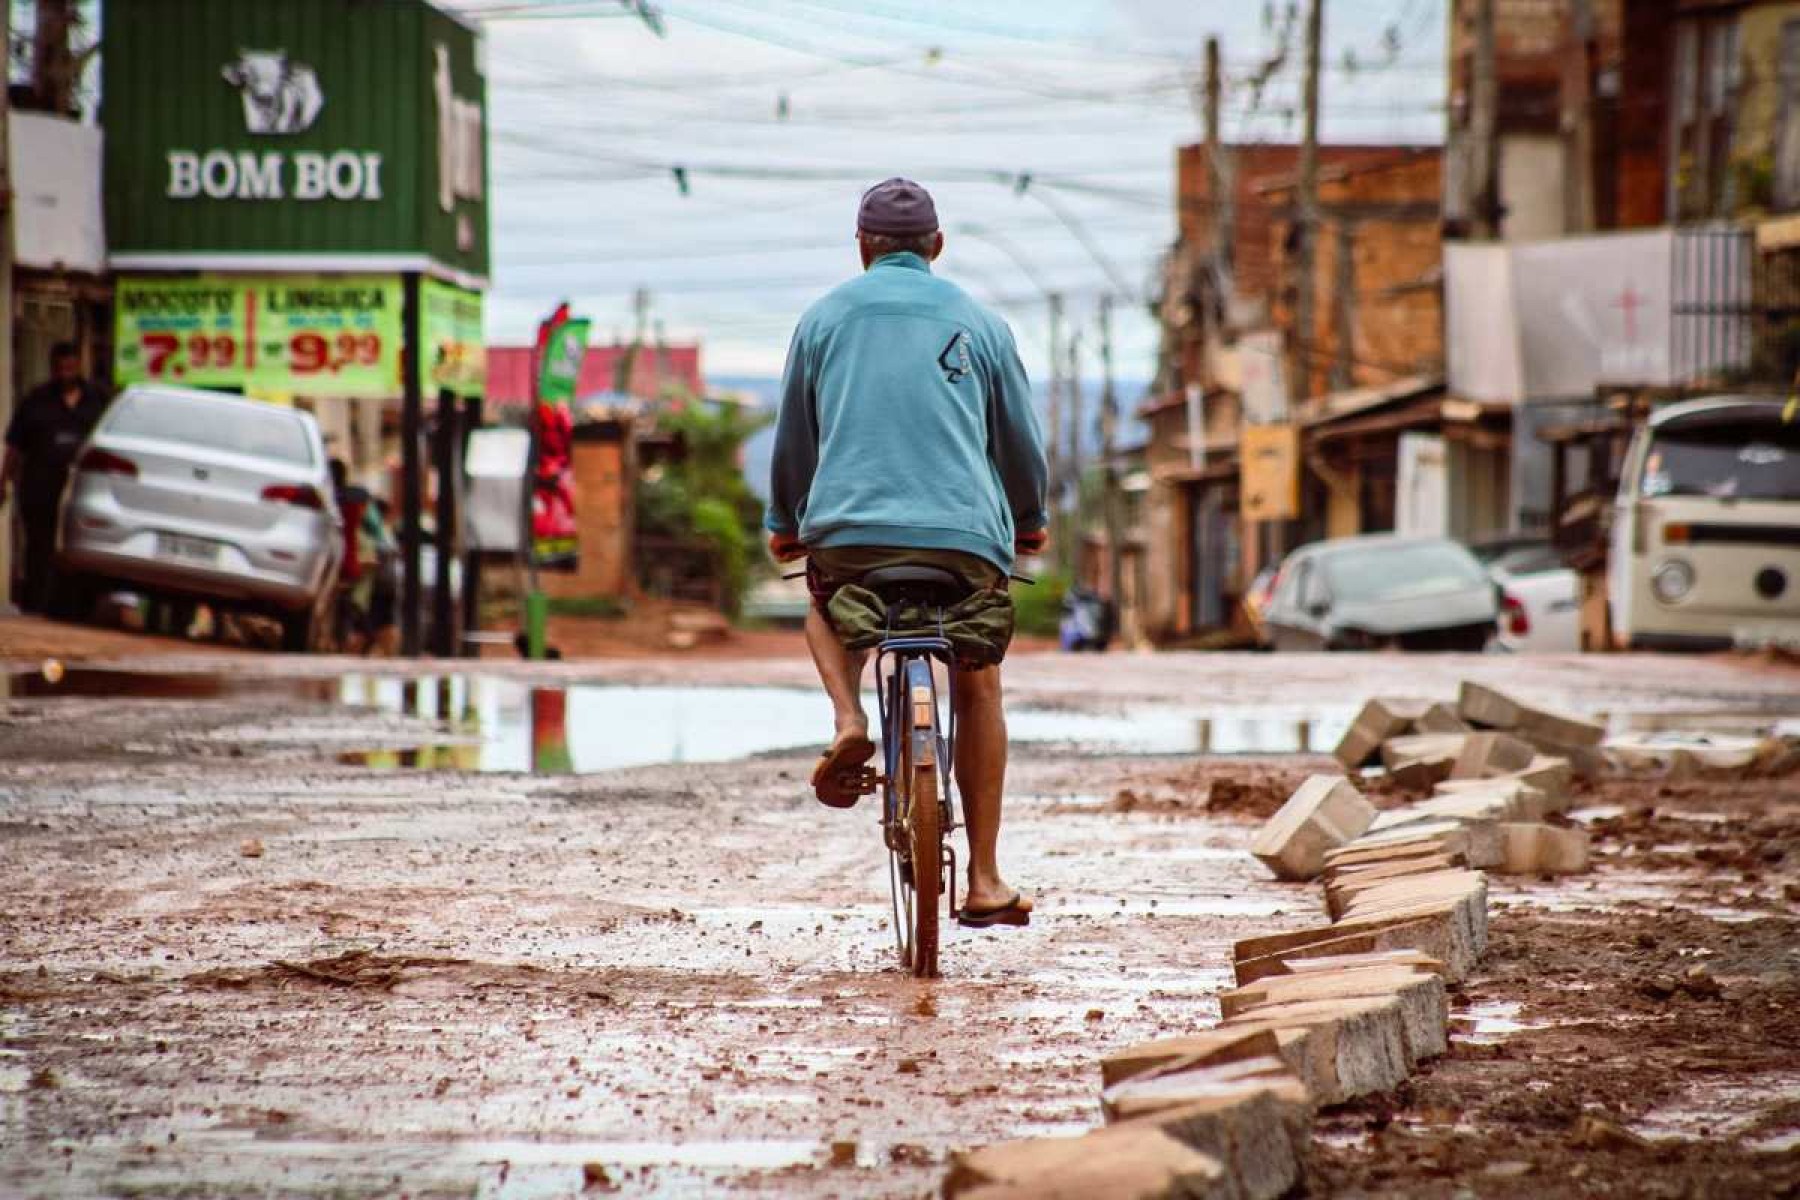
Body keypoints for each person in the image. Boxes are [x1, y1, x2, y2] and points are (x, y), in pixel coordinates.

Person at [765, 178, 1049, 929]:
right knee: (978, 681)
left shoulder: (822, 319)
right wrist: (1030, 519)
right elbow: (1018, 441)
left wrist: (783, 519)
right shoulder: (980, 322)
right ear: (937, 246)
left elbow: (796, 436)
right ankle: (984, 877)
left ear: (862, 247)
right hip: (965, 544)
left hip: (850, 538)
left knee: (824, 604)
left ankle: (848, 717)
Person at [1, 343, 109, 613]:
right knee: (39, 547)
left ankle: (75, 609)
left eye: (70, 368)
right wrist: (4, 481)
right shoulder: (36, 400)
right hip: (40, 489)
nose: (65, 374)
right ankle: (37, 605)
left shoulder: (96, 400)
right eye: (60, 368)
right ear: (52, 368)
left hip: (82, 493)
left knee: (77, 551)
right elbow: (15, 446)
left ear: (78, 366)